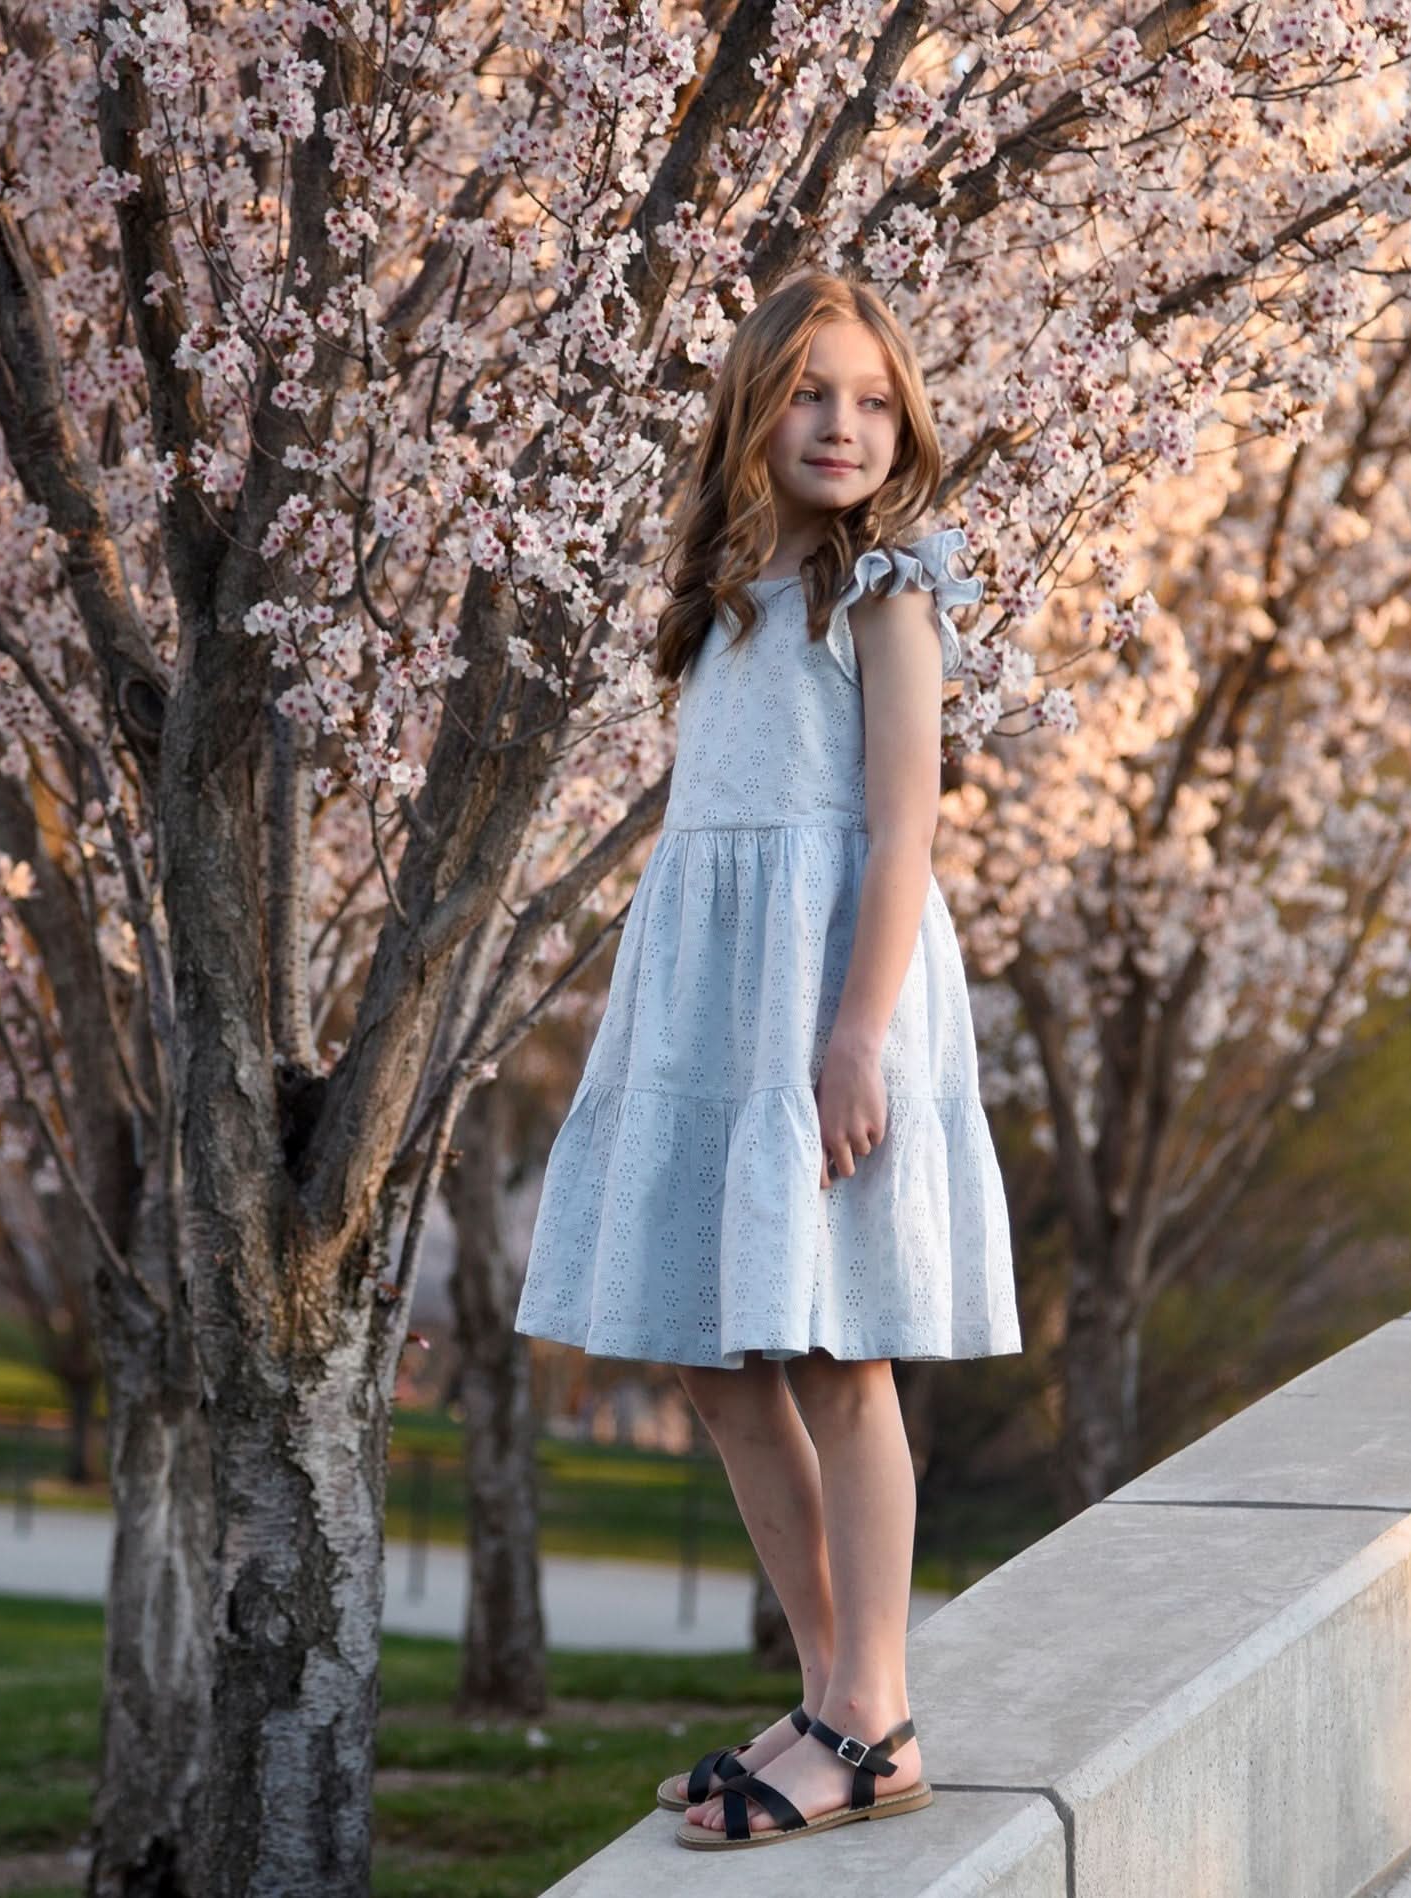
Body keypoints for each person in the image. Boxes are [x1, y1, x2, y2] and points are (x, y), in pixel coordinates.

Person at [512, 268, 1022, 1851]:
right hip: (710, 996)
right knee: (710, 1351)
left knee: (831, 1346)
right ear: (751, 405)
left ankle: (874, 1714)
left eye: (872, 399)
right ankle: (824, 1690)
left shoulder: (884, 593)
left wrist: (854, 1034)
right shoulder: (723, 599)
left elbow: (899, 831)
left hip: (824, 995)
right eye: (812, 393)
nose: (844, 426)